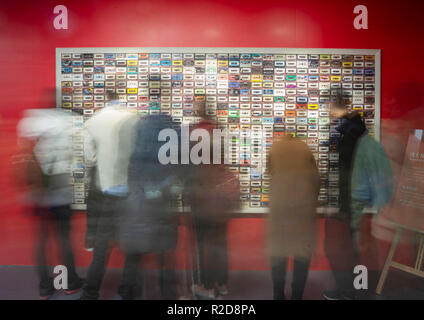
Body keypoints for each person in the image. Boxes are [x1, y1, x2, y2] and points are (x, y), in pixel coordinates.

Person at [16, 103, 83, 299]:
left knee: (41, 241)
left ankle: (45, 287)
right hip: (60, 193)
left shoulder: (30, 120)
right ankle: (70, 282)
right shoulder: (67, 121)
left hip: (38, 194)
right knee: (64, 239)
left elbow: (23, 157)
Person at [117, 114, 183, 300]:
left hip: (137, 211)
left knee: (134, 258)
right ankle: (169, 297)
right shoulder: (171, 150)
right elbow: (175, 178)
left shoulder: (137, 148)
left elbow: (132, 175)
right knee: (165, 260)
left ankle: (127, 294)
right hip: (162, 213)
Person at [80, 91, 136, 300]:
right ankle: (127, 292)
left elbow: (89, 157)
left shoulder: (94, 121)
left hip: (107, 192)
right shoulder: (132, 118)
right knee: (132, 247)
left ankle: (90, 292)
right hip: (130, 192)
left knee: (102, 248)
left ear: (104, 99)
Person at [267, 135, 320, 300]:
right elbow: (316, 180)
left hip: (279, 212)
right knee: (302, 257)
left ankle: (278, 294)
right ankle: (297, 295)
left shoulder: (275, 148)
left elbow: (269, 172)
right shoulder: (305, 148)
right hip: (302, 212)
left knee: (278, 255)